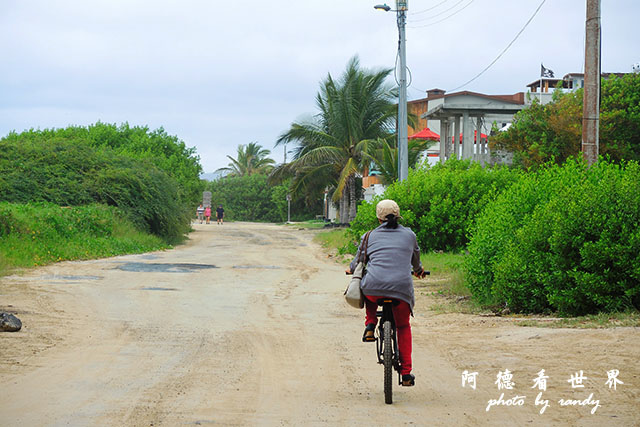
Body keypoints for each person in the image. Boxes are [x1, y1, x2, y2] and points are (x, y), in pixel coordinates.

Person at [346, 199, 427, 387]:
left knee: (370, 286)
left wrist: (351, 269)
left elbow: (358, 262)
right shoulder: (409, 235)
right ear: (398, 216)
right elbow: (416, 261)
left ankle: (370, 324)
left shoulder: (369, 236)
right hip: (401, 289)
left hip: (374, 288)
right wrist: (419, 270)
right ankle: (406, 374)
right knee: (403, 327)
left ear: (378, 217)